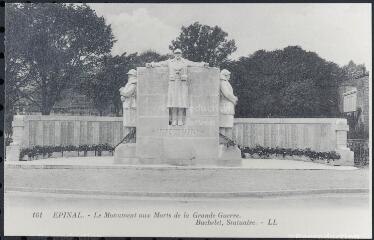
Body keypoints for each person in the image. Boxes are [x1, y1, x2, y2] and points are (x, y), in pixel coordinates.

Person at [146, 49, 209, 126]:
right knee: (173, 103)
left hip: (182, 84)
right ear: (174, 54)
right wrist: (151, 64)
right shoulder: (170, 62)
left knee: (181, 102)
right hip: (173, 84)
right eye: (176, 53)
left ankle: (180, 120)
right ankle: (174, 120)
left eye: (179, 53)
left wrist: (203, 64)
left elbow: (194, 64)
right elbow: (160, 64)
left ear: (181, 54)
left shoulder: (185, 62)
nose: (177, 55)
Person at [219, 69, 238, 139]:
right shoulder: (223, 82)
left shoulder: (225, 82)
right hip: (225, 106)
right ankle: (224, 143)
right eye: (229, 75)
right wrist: (234, 99)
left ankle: (227, 143)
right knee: (223, 125)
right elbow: (226, 94)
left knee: (227, 125)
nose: (229, 76)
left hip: (227, 106)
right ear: (225, 75)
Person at [119, 69, 137, 140]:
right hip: (128, 105)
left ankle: (130, 138)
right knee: (127, 123)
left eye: (129, 75)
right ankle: (128, 138)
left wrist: (121, 91)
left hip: (131, 105)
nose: (128, 76)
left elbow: (128, 93)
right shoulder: (129, 83)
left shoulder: (133, 83)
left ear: (133, 75)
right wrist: (123, 96)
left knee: (131, 123)